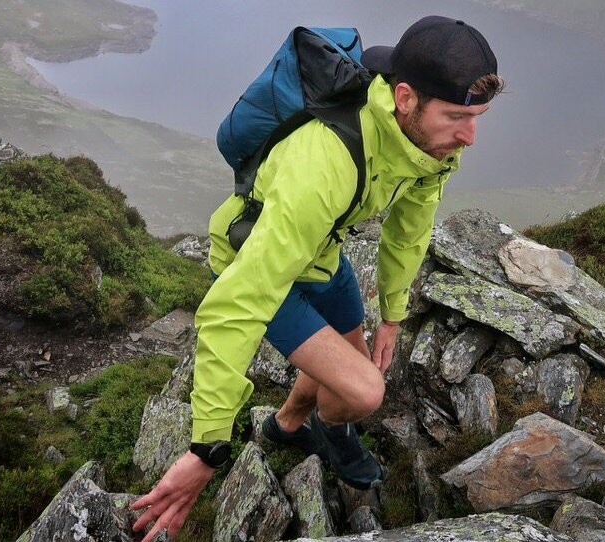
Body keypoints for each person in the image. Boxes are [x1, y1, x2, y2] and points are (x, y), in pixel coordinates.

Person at [132, 15, 504, 541]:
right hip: (260, 262)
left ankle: (285, 427)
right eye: (455, 117)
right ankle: (330, 432)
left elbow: (408, 231)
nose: (469, 136)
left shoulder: (430, 146)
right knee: (364, 390)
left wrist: (394, 315)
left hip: (321, 255)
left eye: (478, 117)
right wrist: (206, 449)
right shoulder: (325, 161)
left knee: (344, 370)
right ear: (404, 99)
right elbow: (235, 305)